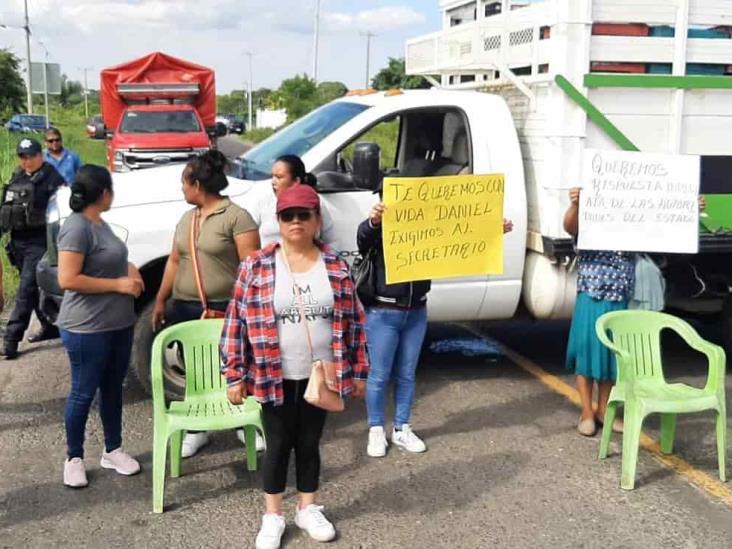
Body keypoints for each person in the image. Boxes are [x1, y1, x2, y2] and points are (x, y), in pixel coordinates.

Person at [221, 184, 368, 549]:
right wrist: (235, 374)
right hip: (272, 373)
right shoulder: (256, 265)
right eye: (289, 215)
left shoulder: (334, 266)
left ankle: (308, 507)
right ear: (279, 220)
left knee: (309, 442)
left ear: (317, 219)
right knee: (277, 444)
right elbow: (234, 322)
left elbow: (355, 320)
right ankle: (273, 515)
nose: (296, 222)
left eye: (304, 214)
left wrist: (359, 370)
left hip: (321, 374)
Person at [358, 201, 514, 458]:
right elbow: (363, 238)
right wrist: (374, 221)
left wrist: (492, 230)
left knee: (407, 373)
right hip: (383, 311)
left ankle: (401, 427)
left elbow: (461, 238)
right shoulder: (381, 228)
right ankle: (376, 429)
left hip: (417, 312)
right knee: (379, 374)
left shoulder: (430, 230)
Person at [152, 150, 262, 458]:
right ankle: (198, 430)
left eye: (185, 183)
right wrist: (161, 299)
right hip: (186, 309)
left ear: (198, 184)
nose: (182, 189)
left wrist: (248, 310)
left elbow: (250, 267)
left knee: (235, 367)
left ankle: (245, 424)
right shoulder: (187, 219)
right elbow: (175, 261)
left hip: (226, 308)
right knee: (197, 372)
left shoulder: (236, 217)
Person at [57, 164, 144, 488]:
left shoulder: (100, 223)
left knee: (112, 390)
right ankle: (74, 457)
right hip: (86, 328)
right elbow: (68, 278)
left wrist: (131, 271)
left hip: (118, 324)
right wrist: (118, 286)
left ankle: (113, 449)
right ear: (104, 193)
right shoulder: (77, 227)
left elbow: (114, 259)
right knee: (83, 392)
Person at [563, 187, 635, 436]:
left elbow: (665, 230)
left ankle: (604, 410)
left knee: (610, 356)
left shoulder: (633, 219)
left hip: (619, 295)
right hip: (591, 293)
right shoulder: (591, 214)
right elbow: (570, 227)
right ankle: (586, 411)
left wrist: (689, 211)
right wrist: (576, 205)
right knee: (587, 351)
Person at [0, 138, 65, 359]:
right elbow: (6, 208)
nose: (26, 161)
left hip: (39, 242)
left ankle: (11, 340)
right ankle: (49, 327)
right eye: (22, 156)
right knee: (34, 288)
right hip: (17, 242)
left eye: (31, 156)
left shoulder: (52, 178)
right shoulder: (17, 177)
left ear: (41, 155)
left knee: (25, 291)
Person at [248, 155, 336, 247]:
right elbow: (247, 234)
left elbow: (332, 240)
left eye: (279, 177)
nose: (273, 182)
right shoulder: (264, 201)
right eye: (272, 176)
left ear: (296, 181)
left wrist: (326, 260)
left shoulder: (314, 202)